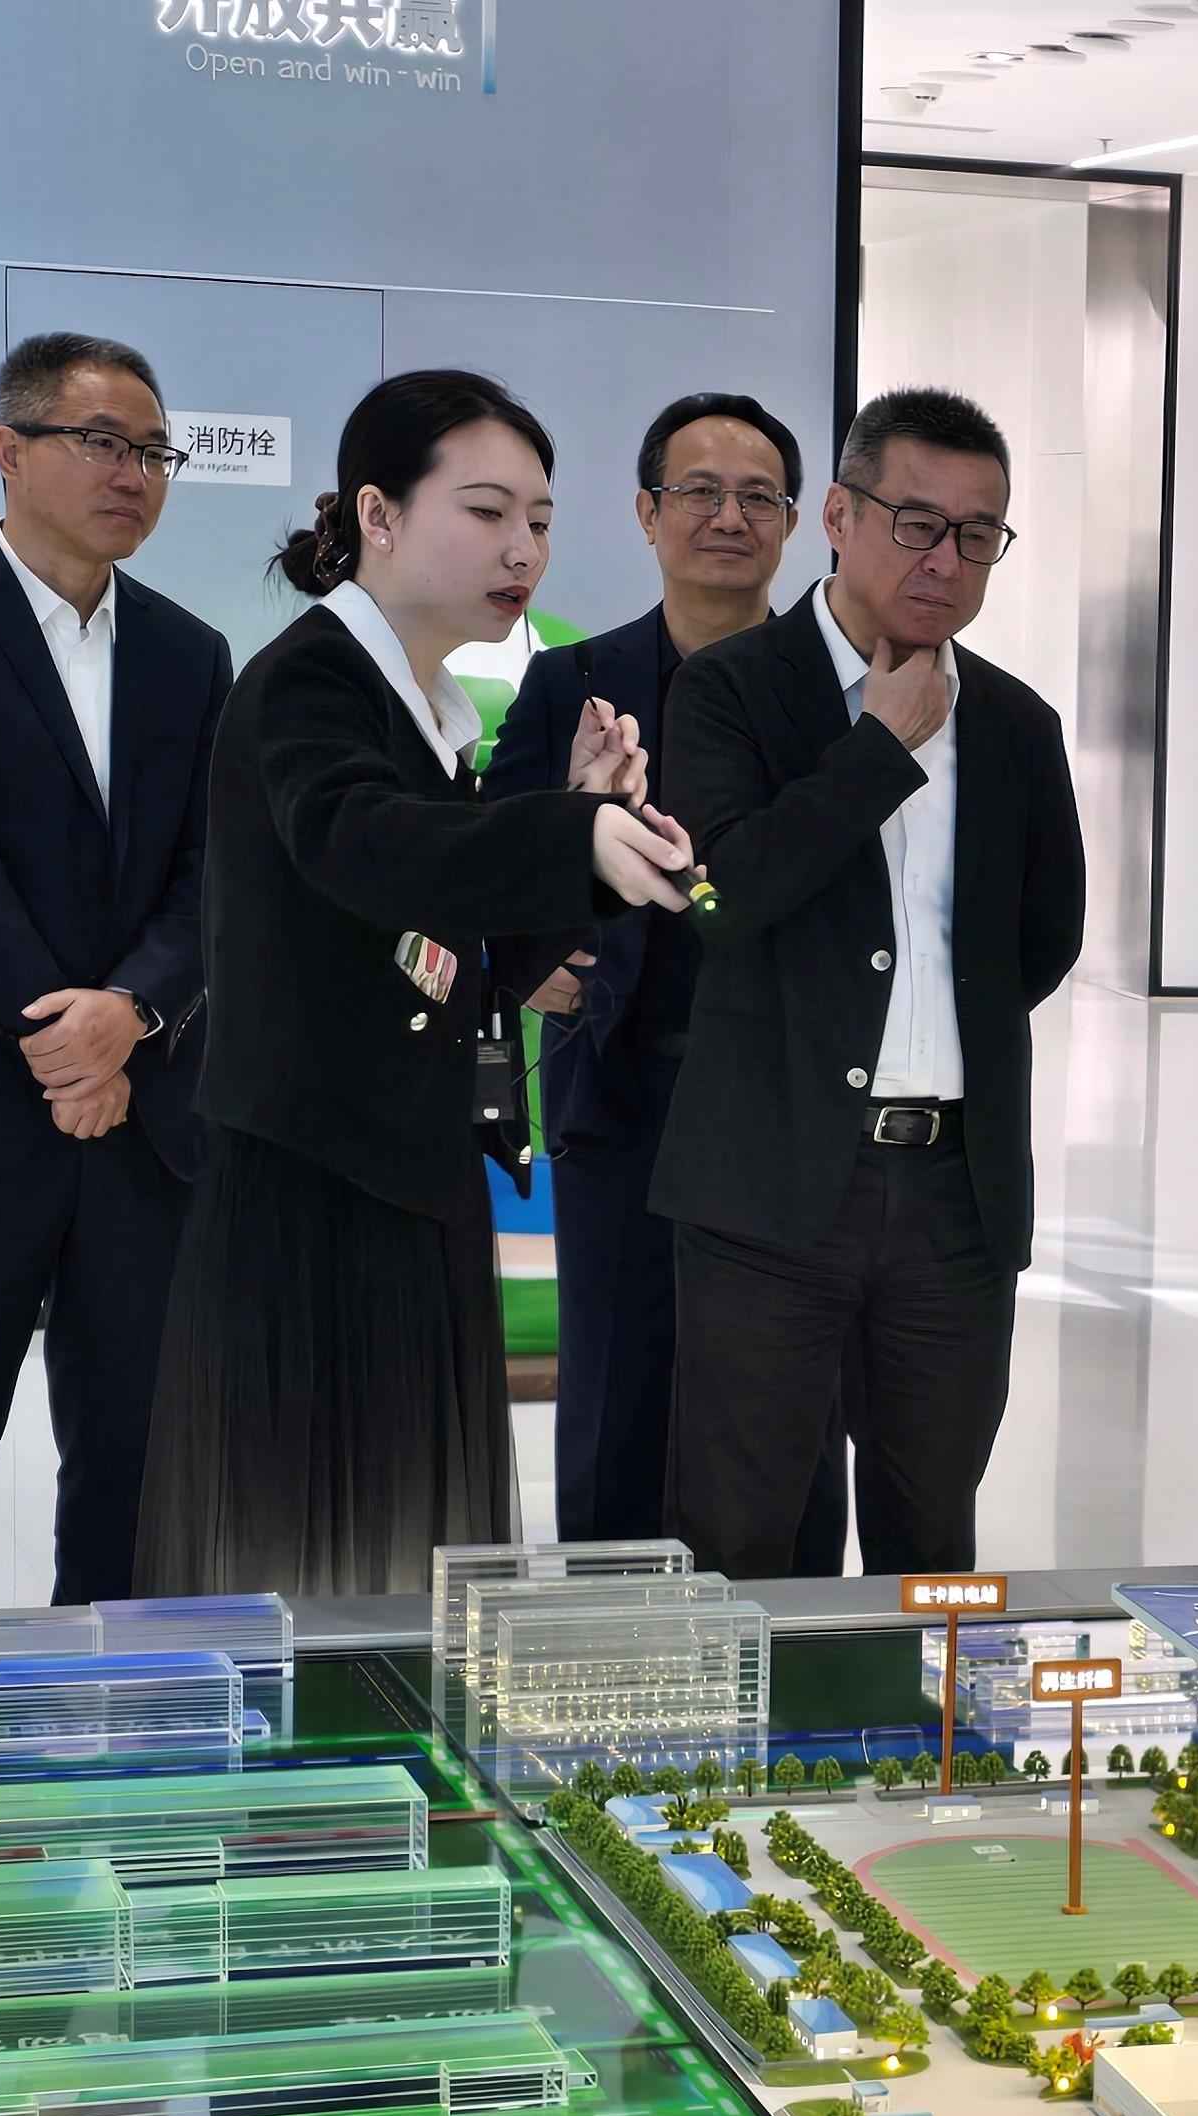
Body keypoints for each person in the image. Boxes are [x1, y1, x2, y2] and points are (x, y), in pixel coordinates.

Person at [132, 369, 702, 1596]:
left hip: (409, 1164)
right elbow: (361, 841)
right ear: (377, 515)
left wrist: (580, 819)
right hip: (315, 1173)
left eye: (539, 520)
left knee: (398, 1546)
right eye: (486, 512)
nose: (522, 549)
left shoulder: (429, 709)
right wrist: (568, 835)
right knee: (308, 1551)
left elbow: (461, 947)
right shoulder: (310, 680)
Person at [652, 387, 1086, 1580]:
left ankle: (915, 1713)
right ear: (840, 517)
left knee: (931, 1536)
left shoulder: (1018, 725)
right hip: (770, 1188)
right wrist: (877, 750)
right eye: (916, 522)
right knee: (739, 1532)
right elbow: (720, 897)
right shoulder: (729, 690)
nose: (945, 558)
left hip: (953, 1194)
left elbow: (1041, 940)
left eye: (977, 534)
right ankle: (744, 1720)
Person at [0, 333, 232, 1611]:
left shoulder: (191, 651)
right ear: (8, 451)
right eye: (103, 443)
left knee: (136, 1461)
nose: (135, 474)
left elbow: (210, 873)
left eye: (155, 452)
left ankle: (121, 1703)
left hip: (144, 1115)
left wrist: (133, 1014)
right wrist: (67, 1049)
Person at [480, 388, 844, 1564]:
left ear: (798, 521)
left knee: (788, 1409)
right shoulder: (573, 682)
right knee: (613, 1400)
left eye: (758, 497)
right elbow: (498, 864)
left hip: (793, 1104)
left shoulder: (838, 693)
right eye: (699, 491)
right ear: (646, 513)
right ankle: (605, 1642)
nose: (728, 517)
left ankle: (788, 1641)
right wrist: (536, 956)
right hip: (625, 1088)